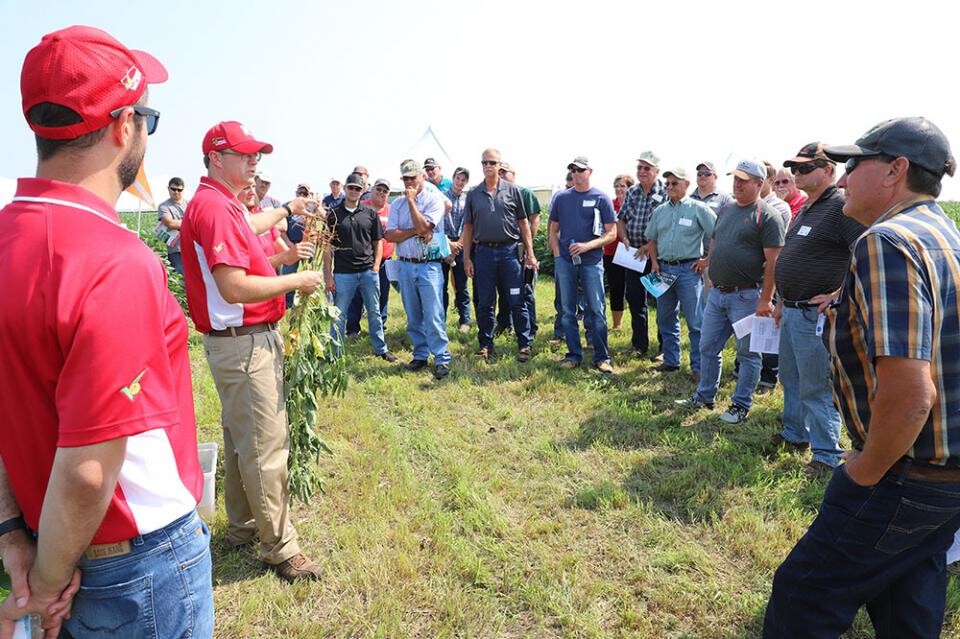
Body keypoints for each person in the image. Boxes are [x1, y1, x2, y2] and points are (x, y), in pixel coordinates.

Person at [0, 25, 213, 637]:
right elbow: (91, 469)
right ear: (124, 126)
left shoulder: (10, 237)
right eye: (147, 116)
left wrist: (14, 534)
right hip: (134, 561)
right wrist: (45, 582)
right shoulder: (115, 260)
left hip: (49, 535)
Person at [764, 117, 960, 638]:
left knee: (803, 597)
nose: (845, 177)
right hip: (944, 477)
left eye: (856, 164)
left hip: (903, 472)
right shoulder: (943, 234)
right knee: (907, 607)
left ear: (896, 170)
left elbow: (913, 392)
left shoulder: (887, 242)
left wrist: (865, 470)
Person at [180, 120, 325, 582]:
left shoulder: (218, 203)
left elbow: (250, 223)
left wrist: (287, 209)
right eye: (244, 154)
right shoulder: (215, 207)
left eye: (256, 154)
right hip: (244, 345)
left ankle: (243, 526)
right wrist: (296, 280)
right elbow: (235, 285)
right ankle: (280, 547)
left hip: (233, 346)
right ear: (216, 159)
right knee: (265, 446)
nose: (254, 161)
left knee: (243, 440)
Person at [771, 142, 865, 478]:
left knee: (816, 385)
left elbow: (865, 252)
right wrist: (781, 301)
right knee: (791, 378)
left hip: (815, 315)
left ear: (828, 170)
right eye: (795, 169)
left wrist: (839, 293)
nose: (797, 174)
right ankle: (795, 435)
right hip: (793, 310)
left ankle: (826, 455)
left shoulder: (840, 206)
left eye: (805, 168)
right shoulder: (805, 209)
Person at [675, 159, 785, 424]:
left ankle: (740, 404)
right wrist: (711, 272)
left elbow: (774, 262)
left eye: (743, 180)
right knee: (707, 346)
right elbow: (715, 241)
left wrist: (766, 299)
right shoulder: (726, 210)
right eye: (735, 179)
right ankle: (705, 396)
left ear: (760, 183)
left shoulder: (768, 216)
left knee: (748, 354)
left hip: (747, 297)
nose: (737, 184)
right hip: (718, 295)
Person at [461, 149, 538, 362]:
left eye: (492, 162)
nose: (488, 166)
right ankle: (485, 345)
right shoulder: (474, 194)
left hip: (509, 253)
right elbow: (468, 228)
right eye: (484, 162)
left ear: (499, 165)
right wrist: (467, 257)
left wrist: (530, 253)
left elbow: (524, 223)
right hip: (484, 253)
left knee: (517, 299)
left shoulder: (513, 191)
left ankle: (524, 344)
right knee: (485, 302)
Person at [645, 168, 716, 382]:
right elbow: (651, 238)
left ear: (686, 184)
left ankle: (699, 367)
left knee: (696, 321)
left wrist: (708, 261)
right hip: (663, 270)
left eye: (674, 183)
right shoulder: (660, 211)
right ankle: (671, 360)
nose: (669, 187)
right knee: (665, 318)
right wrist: (655, 263)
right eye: (667, 184)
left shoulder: (699, 209)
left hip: (688, 271)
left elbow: (718, 233)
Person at [384, 159, 453, 379]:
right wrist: (415, 231)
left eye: (413, 177)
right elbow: (390, 235)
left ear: (422, 176)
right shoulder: (396, 204)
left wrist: (412, 203)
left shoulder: (434, 200)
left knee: (433, 315)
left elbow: (426, 228)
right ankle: (420, 355)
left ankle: (441, 358)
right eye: (405, 178)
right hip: (405, 264)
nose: (410, 182)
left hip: (429, 266)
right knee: (413, 315)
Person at [549, 156, 617, 373]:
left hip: (591, 262)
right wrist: (559, 255)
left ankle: (602, 357)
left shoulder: (601, 198)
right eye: (573, 170)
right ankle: (573, 355)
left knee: (596, 309)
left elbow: (612, 233)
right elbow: (553, 230)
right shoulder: (561, 198)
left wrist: (588, 246)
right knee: (568, 311)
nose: (576, 174)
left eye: (580, 170)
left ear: (590, 171)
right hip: (566, 263)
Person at [323, 173, 396, 362]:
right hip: (343, 273)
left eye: (358, 188)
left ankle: (381, 349)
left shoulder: (370, 214)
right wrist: (328, 276)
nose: (354, 191)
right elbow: (327, 247)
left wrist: (375, 266)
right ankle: (335, 352)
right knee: (339, 315)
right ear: (345, 188)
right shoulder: (333, 215)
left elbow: (377, 242)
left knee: (374, 311)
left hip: (367, 272)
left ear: (362, 191)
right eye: (351, 188)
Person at [617, 150, 665, 358]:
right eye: (639, 167)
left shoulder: (665, 192)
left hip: (657, 258)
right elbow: (621, 219)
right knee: (635, 300)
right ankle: (639, 345)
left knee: (662, 302)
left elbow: (666, 226)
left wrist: (648, 246)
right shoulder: (633, 192)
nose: (642, 171)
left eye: (647, 168)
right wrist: (625, 239)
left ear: (656, 171)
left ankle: (665, 349)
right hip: (634, 258)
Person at [493, 161, 542, 338]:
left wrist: (526, 245)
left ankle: (531, 327)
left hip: (521, 249)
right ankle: (504, 324)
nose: (501, 175)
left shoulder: (524, 193)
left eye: (505, 172)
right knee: (504, 290)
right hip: (503, 249)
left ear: (514, 174)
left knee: (526, 289)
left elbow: (534, 219)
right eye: (499, 172)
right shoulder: (496, 194)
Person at [346, 178, 395, 332]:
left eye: (385, 191)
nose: (381, 193)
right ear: (371, 190)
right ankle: (353, 328)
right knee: (356, 296)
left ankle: (380, 327)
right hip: (362, 260)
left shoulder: (392, 210)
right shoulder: (360, 207)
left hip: (385, 262)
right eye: (378, 189)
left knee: (382, 295)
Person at [603, 174, 634, 330]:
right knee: (616, 288)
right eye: (616, 185)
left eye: (622, 186)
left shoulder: (635, 205)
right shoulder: (609, 205)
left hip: (632, 252)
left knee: (634, 289)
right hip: (611, 252)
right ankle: (617, 324)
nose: (619, 189)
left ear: (630, 188)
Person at [443, 167, 472, 332]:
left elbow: (467, 225)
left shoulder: (467, 200)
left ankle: (465, 320)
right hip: (443, 245)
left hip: (461, 245)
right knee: (441, 286)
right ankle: (441, 319)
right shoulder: (441, 197)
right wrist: (448, 245)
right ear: (453, 178)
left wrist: (458, 245)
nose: (460, 182)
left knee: (462, 285)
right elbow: (437, 224)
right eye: (458, 178)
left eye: (463, 180)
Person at [157, 176, 188, 275]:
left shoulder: (190, 204)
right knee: (180, 279)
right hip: (175, 250)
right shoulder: (164, 206)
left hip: (191, 249)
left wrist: (178, 223)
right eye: (173, 189)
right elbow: (169, 223)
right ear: (168, 189)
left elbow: (200, 222)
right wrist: (190, 223)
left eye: (179, 190)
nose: (176, 192)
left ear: (183, 190)